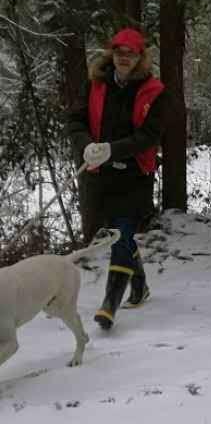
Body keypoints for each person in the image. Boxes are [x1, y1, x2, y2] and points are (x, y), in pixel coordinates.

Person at [67, 27, 167, 330]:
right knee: (119, 234)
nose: (125, 58)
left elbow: (149, 136)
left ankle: (110, 303)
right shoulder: (96, 84)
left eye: (131, 53)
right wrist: (87, 146)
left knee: (121, 234)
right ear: (113, 54)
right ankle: (140, 286)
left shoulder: (154, 91)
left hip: (135, 174)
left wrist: (112, 149)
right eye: (120, 53)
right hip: (102, 175)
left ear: (140, 57)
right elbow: (75, 121)